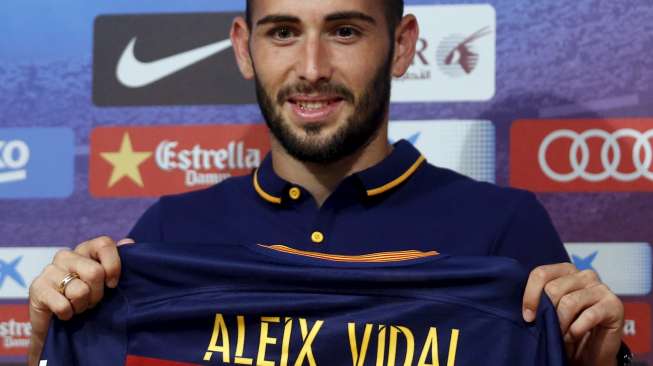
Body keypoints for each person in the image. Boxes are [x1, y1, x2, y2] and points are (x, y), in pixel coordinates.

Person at [28, 0, 627, 365]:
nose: (311, 69)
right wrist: (52, 336)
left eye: (344, 31)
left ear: (401, 46)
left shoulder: (505, 228)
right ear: (244, 48)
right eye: (283, 32)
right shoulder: (168, 233)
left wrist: (600, 359)